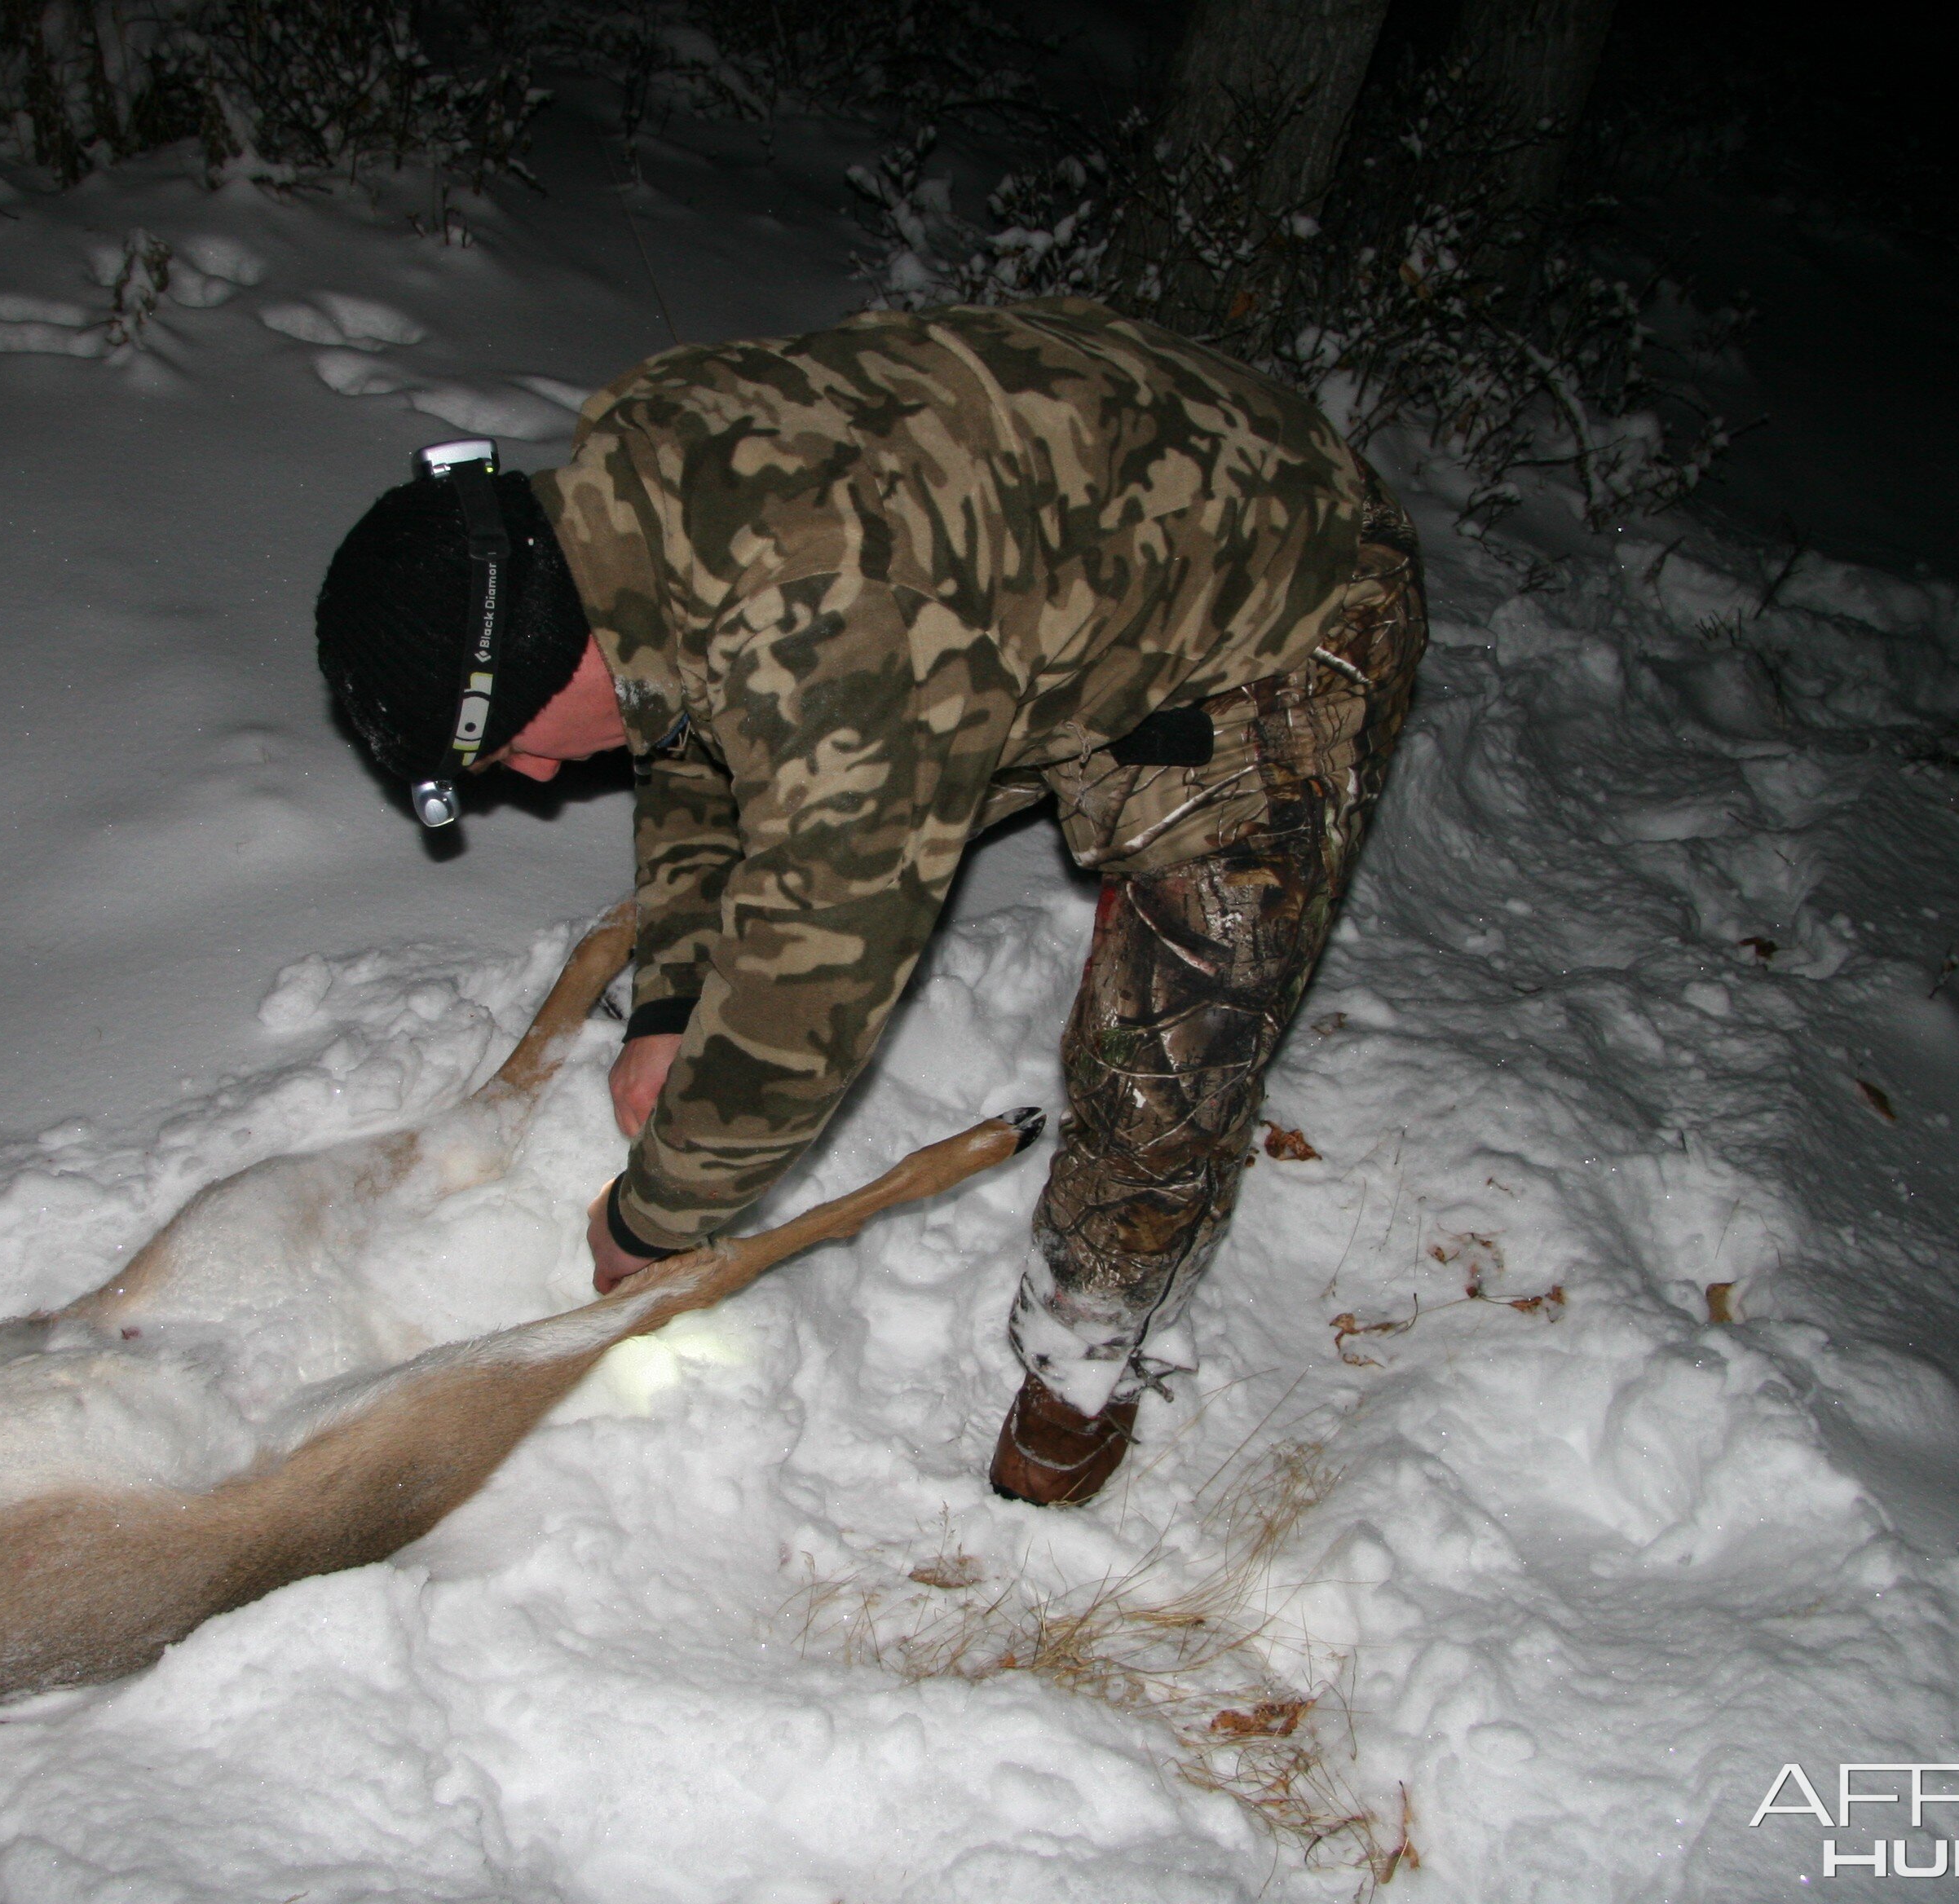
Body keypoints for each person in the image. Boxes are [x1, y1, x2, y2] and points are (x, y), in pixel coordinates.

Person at [315, 298, 1425, 1505]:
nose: (530, 782)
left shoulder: (829, 629)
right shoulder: (625, 489)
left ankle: (1078, 1366)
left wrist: (655, 1219)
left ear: (530, 667)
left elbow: (816, 978)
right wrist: (674, 997)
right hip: (1051, 566)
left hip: (1280, 594)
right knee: (827, 794)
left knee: (1162, 1064)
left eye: (505, 756)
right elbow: (691, 732)